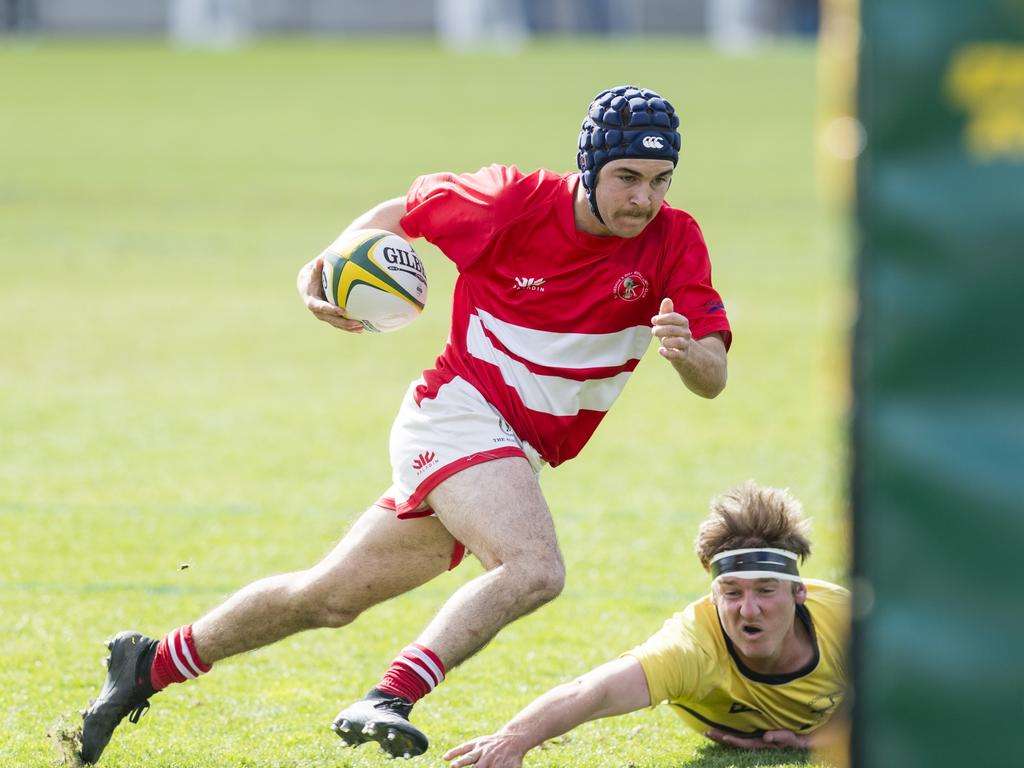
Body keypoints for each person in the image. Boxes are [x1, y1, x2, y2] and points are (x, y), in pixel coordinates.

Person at [78, 84, 732, 764]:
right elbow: (402, 212)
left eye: (660, 181)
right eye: (626, 178)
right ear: (588, 167)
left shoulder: (675, 239)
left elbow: (713, 377)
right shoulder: (509, 203)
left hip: (513, 449)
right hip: (459, 413)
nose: (642, 200)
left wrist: (687, 355)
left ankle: (149, 664)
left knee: (328, 597)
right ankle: (390, 694)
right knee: (534, 568)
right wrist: (323, 265)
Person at [442, 481, 850, 768]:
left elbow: (913, 701)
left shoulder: (848, 622)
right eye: (731, 593)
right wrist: (513, 741)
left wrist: (816, 740)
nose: (748, 610)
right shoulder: (692, 647)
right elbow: (594, 691)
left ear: (799, 594)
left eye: (765, 591)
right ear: (713, 596)